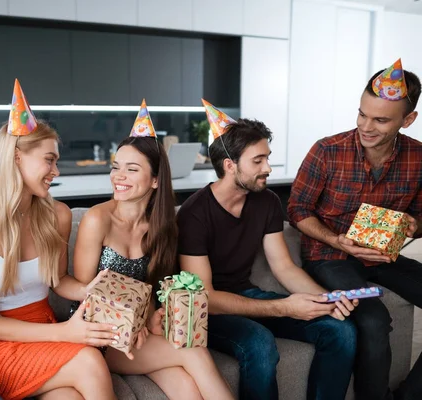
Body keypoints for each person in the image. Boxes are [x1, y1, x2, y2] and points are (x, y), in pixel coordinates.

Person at [177, 99, 358, 400]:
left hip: (245, 294)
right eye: (258, 161)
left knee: (341, 330)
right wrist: (285, 307)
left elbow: (284, 267)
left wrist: (324, 299)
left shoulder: (267, 201)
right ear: (229, 165)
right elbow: (204, 296)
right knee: (258, 343)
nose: (268, 168)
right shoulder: (194, 214)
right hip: (206, 310)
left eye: (267, 158)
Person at [0, 80, 117, 400]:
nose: (55, 171)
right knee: (89, 362)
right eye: (49, 160)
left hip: (44, 332)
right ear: (16, 158)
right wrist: (65, 333)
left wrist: (86, 289)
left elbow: (58, 280)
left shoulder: (58, 215)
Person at [72, 100, 234, 400]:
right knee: (193, 352)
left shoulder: (163, 225)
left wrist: (151, 317)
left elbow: (152, 289)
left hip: (139, 334)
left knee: (188, 389)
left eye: (132, 169)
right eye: (116, 167)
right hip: (100, 336)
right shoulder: (97, 220)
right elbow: (84, 292)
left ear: (156, 180)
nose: (118, 176)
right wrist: (130, 321)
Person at [288, 59, 422, 400]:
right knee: (373, 320)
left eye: (380, 119)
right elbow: (297, 210)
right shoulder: (327, 151)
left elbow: (421, 215)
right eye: (362, 114)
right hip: (329, 257)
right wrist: (338, 241)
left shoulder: (419, 157)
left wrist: (415, 224)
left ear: (408, 120)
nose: (366, 126)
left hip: (382, 257)